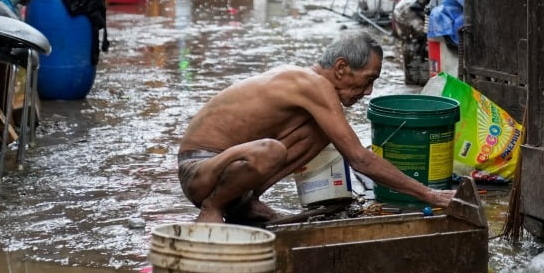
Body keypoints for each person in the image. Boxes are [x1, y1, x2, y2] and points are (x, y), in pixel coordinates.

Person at [176, 30, 456, 224]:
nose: (368, 92)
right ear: (341, 68)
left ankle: (244, 204)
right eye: (368, 79)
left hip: (219, 172)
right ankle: (213, 207)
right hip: (199, 170)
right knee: (270, 151)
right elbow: (359, 158)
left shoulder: (312, 86)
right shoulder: (313, 85)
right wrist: (430, 194)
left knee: (322, 132)